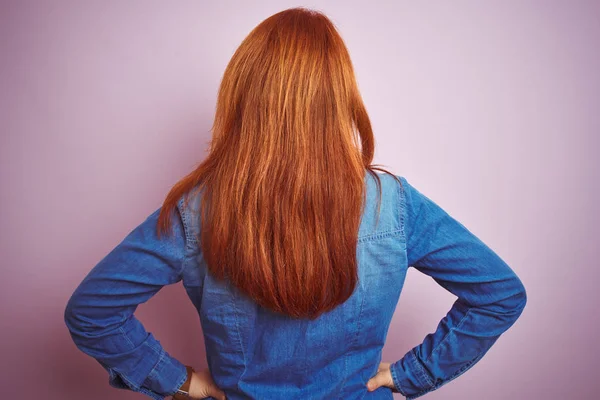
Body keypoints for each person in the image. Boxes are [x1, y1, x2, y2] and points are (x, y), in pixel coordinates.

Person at [64, 6, 527, 400]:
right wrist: (411, 375)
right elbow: (498, 294)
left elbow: (92, 313)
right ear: (339, 98)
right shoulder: (394, 205)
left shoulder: (197, 210)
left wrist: (179, 382)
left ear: (243, 96)